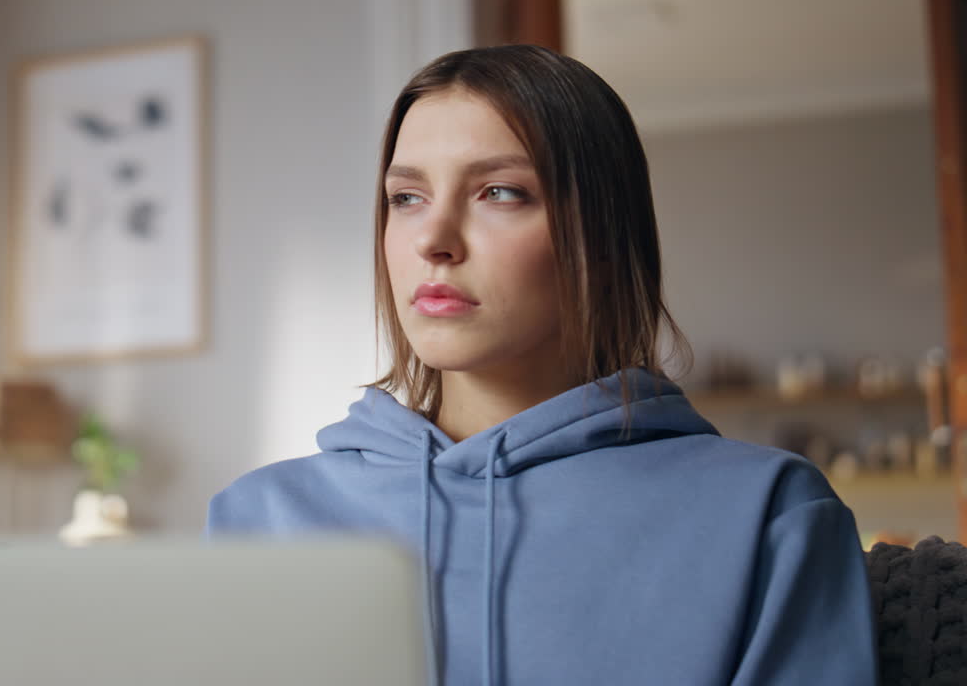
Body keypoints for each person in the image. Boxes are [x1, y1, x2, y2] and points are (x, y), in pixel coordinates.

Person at [206, 45, 877, 685]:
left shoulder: (768, 512)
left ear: (604, 241)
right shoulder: (257, 518)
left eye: (500, 192)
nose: (433, 240)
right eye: (406, 198)